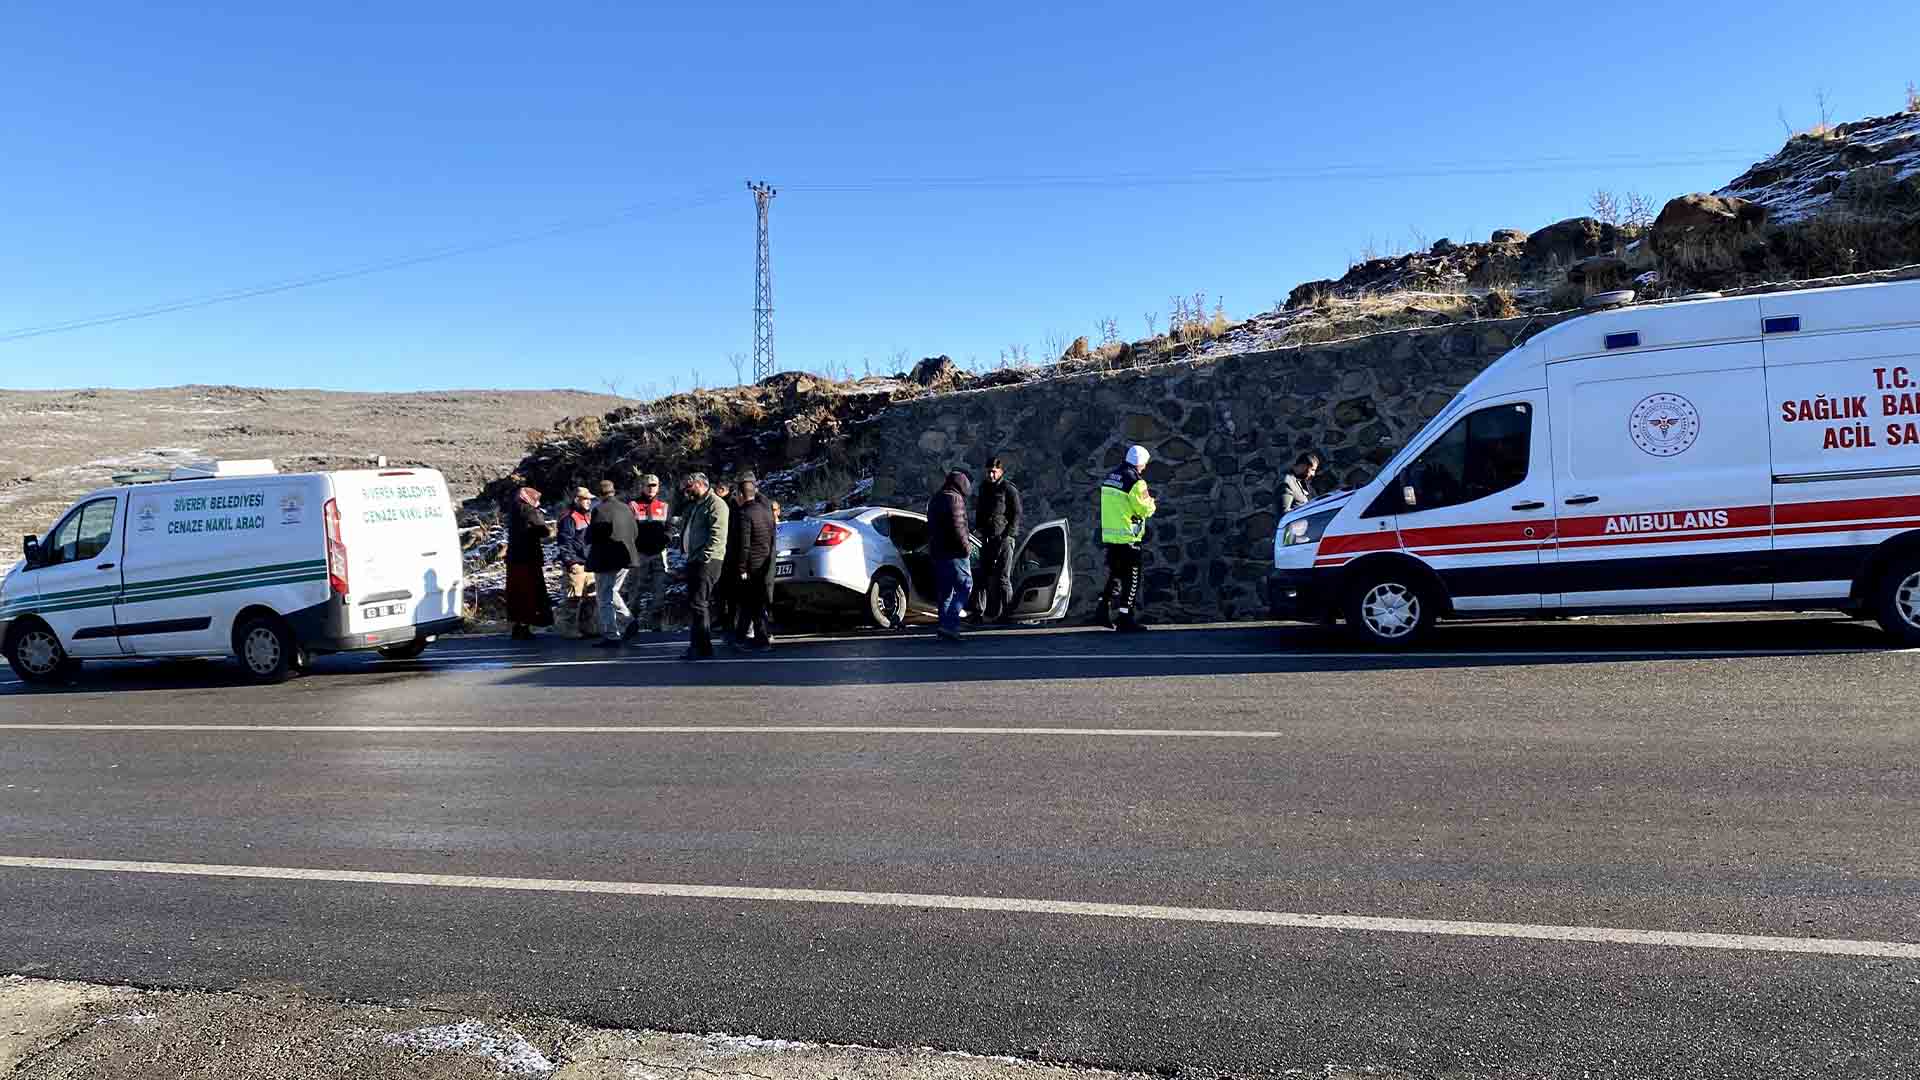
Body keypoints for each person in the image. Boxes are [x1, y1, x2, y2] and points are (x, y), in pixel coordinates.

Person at [1098, 445, 1157, 632]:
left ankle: (1102, 610)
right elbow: (1144, 509)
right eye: (1144, 464)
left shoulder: (1111, 477)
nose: (1145, 468)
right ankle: (1125, 617)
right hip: (1128, 537)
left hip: (1111, 536)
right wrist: (1152, 503)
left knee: (1115, 575)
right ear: (1140, 463)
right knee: (1132, 578)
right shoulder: (1136, 481)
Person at [680, 472, 729, 660]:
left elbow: (718, 536)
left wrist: (704, 557)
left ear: (700, 484)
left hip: (708, 561)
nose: (686, 491)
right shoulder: (696, 505)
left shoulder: (716, 504)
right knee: (695, 604)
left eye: (689, 487)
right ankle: (700, 646)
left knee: (699, 603)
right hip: (694, 559)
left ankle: (701, 647)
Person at [585, 479, 640, 649]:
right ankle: (628, 621)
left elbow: (594, 535)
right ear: (613, 492)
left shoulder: (599, 510)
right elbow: (635, 532)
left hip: (606, 559)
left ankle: (612, 635)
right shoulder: (625, 508)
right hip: (626, 557)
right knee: (613, 591)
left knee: (603, 598)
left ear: (600, 494)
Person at [972, 455, 1023, 624]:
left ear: (1001, 472)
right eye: (988, 472)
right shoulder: (983, 488)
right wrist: (978, 528)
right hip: (987, 538)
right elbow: (980, 511)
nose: (991, 475)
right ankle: (978, 613)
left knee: (1002, 577)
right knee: (982, 577)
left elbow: (1016, 513)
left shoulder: (1008, 489)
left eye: (994, 472)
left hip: (1004, 539)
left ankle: (1007, 614)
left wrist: (1008, 535)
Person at [731, 472, 777, 651]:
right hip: (764, 561)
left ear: (741, 495)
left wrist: (742, 567)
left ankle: (759, 639)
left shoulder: (745, 514)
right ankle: (743, 637)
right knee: (753, 603)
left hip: (751, 565)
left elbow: (745, 544)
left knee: (752, 604)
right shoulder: (766, 512)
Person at [926, 468, 973, 642]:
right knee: (965, 586)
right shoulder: (955, 499)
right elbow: (959, 527)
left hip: (938, 553)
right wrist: (967, 548)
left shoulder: (935, 499)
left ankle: (944, 627)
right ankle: (950, 624)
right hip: (955, 553)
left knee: (945, 592)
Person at [623, 473, 672, 633]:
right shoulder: (633, 505)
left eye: (654, 485)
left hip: (659, 554)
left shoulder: (664, 505)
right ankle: (632, 624)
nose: (651, 488)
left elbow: (670, 527)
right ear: (642, 487)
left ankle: (656, 625)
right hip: (640, 554)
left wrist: (667, 538)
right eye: (648, 485)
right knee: (635, 590)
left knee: (659, 591)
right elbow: (627, 530)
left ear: (658, 487)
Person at [503, 486, 552, 641]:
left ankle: (517, 626)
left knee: (516, 593)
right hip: (528, 557)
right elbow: (543, 530)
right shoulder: (529, 511)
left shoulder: (513, 510)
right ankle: (525, 626)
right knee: (529, 593)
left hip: (514, 558)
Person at [554, 486, 594, 638]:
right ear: (577, 500)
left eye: (590, 499)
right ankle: (568, 629)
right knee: (573, 599)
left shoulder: (588, 516)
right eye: (586, 499)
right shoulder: (569, 518)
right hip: (576, 565)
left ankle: (587, 627)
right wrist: (571, 562)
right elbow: (564, 542)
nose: (589, 502)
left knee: (591, 599)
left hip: (589, 563)